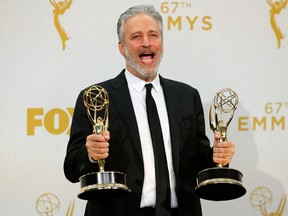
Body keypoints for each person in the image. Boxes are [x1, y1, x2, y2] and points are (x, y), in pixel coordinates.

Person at [64, 4, 235, 216]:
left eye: (153, 35)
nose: (146, 43)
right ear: (121, 47)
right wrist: (89, 155)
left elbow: (199, 161)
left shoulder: (187, 96)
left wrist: (217, 157)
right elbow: (71, 169)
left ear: (161, 43)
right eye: (136, 36)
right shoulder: (96, 97)